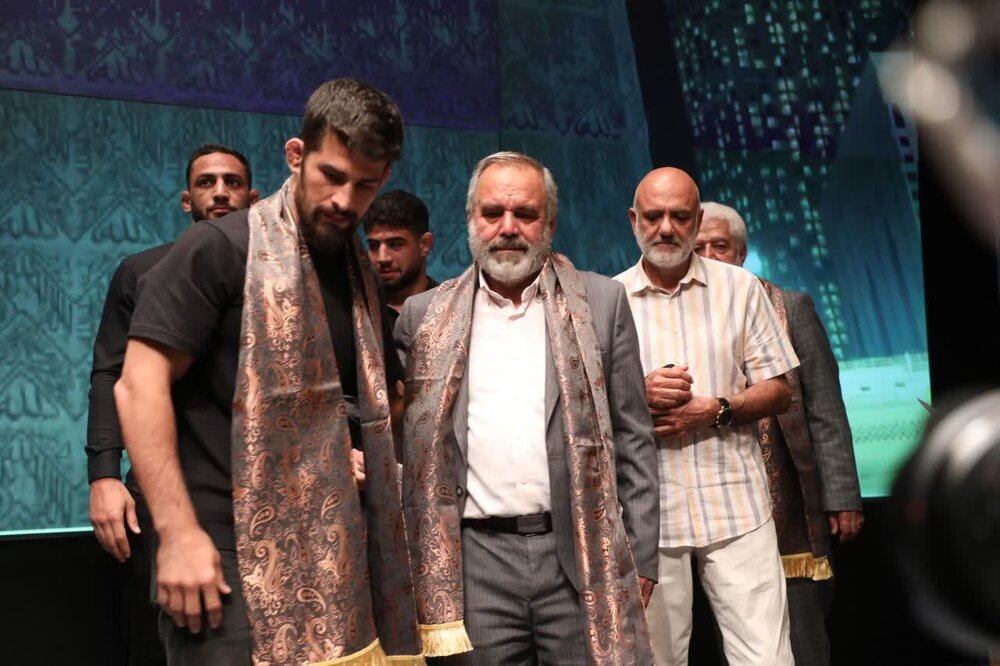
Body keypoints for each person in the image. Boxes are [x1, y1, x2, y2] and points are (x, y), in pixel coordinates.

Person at [114, 79, 423, 665]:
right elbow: (137, 385)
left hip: (325, 548)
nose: (345, 200)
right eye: (332, 175)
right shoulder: (218, 248)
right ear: (295, 155)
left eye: (365, 185)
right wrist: (177, 536)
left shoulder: (356, 271)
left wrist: (346, 450)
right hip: (218, 547)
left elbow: (353, 402)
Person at [395, 151, 659, 664]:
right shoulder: (423, 317)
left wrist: (642, 555)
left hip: (583, 555)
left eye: (526, 214)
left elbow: (634, 439)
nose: (508, 228)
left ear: (550, 223)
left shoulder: (602, 303)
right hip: (476, 564)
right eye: (493, 213)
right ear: (471, 220)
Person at [614, 167, 798, 666]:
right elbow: (585, 408)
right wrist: (636, 393)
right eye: (654, 216)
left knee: (766, 658)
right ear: (634, 220)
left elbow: (779, 391)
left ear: (696, 221)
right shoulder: (609, 298)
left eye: (679, 216)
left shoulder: (740, 287)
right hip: (649, 514)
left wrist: (715, 410)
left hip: (734, 501)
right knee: (655, 659)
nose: (666, 228)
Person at [86, 143, 258, 666]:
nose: (220, 192)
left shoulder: (277, 273)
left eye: (232, 182)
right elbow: (111, 373)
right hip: (168, 486)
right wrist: (104, 475)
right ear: (187, 199)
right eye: (207, 182)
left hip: (262, 487)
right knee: (173, 641)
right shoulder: (142, 270)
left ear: (253, 196)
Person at [694, 201, 864, 666]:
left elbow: (825, 408)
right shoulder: (682, 316)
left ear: (741, 252)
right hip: (716, 503)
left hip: (788, 502)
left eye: (720, 246)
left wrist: (842, 497)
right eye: (699, 247)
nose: (709, 256)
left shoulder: (790, 307)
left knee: (802, 634)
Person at [362, 189, 438, 322]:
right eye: (374, 246)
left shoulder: (450, 309)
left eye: (395, 244)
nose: (382, 258)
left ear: (425, 244)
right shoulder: (357, 313)